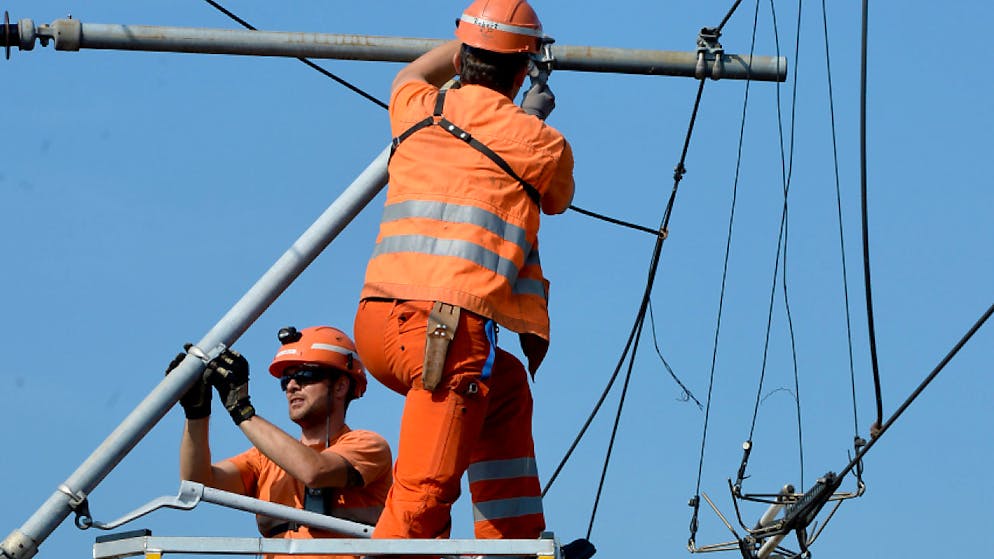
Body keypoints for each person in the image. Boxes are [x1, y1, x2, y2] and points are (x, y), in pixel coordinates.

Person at [353, 0, 576, 543]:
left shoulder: (418, 108)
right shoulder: (541, 143)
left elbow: (411, 72)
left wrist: (477, 45)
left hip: (379, 325)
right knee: (424, 495)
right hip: (444, 334)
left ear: (464, 55)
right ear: (523, 70)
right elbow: (557, 196)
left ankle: (514, 543)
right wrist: (532, 113)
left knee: (503, 388)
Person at [173, 326, 392, 557]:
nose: (291, 386)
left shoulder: (368, 445)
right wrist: (197, 413)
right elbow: (198, 482)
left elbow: (314, 471)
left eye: (305, 375)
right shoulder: (263, 459)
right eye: (286, 379)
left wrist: (242, 410)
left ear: (340, 386)